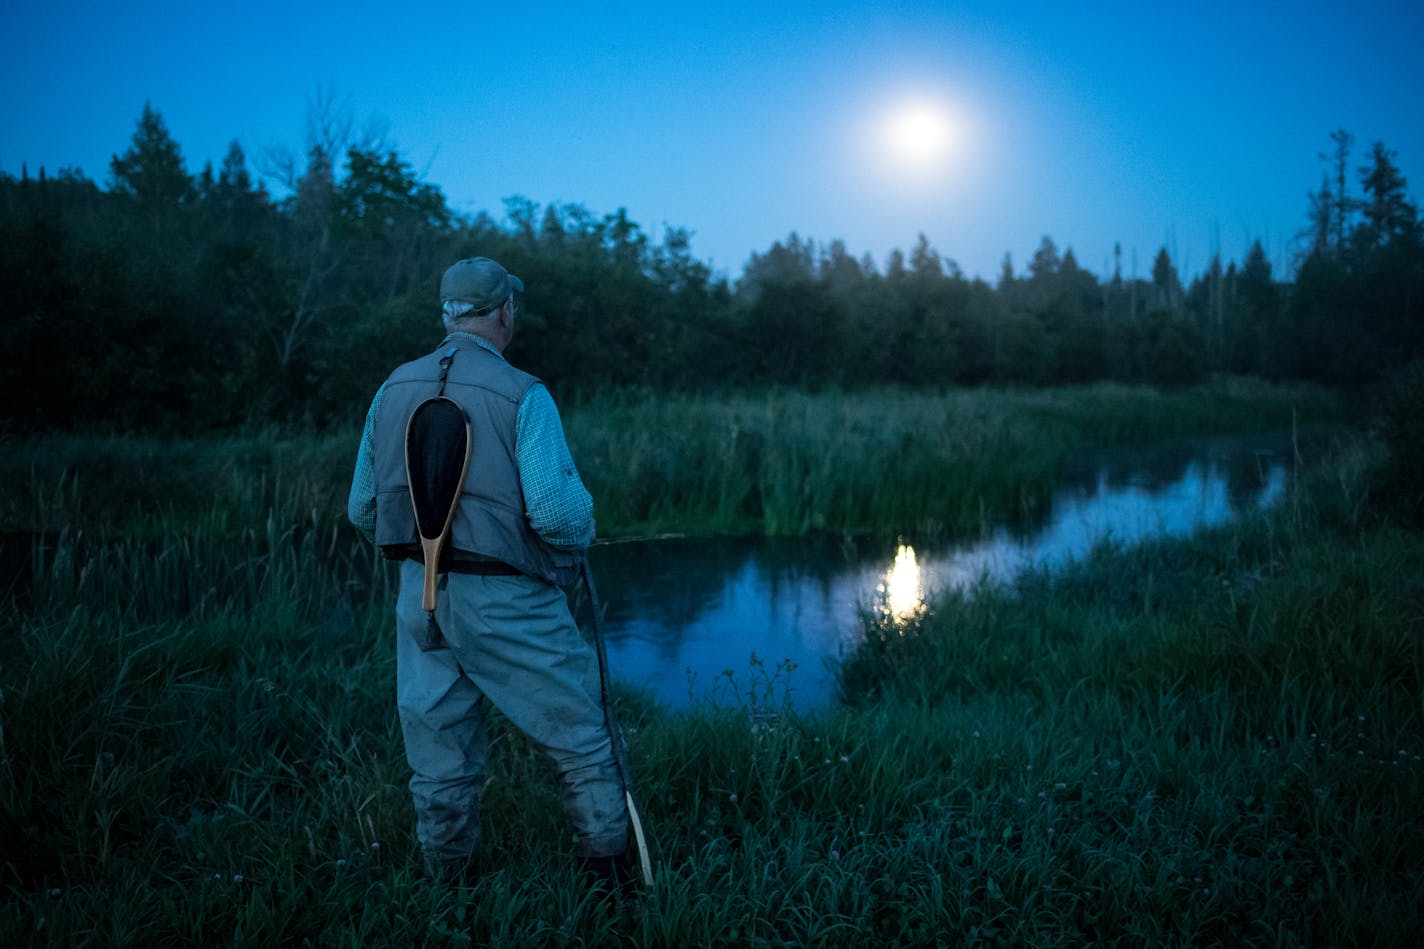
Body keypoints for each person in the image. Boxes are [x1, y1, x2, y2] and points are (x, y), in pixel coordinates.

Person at [347, 256, 633, 890]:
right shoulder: (522, 392)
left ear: (446, 315)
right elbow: (560, 518)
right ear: (506, 311)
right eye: (513, 307)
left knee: (439, 750)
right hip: (507, 597)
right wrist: (583, 526)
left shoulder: (392, 388)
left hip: (418, 595)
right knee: (583, 738)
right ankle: (612, 884)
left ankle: (450, 890)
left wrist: (423, 555)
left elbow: (363, 508)